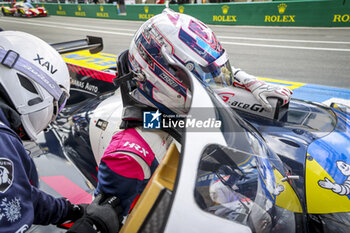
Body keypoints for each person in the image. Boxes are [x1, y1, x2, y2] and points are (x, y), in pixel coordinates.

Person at [95, 7, 293, 219]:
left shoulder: (170, 106)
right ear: (166, 75)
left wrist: (245, 79)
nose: (216, 85)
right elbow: (110, 221)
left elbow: (202, 79)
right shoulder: (131, 154)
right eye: (204, 78)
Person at [0, 31, 121, 233]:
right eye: (57, 105)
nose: (49, 122)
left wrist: (68, 211)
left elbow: (17, 197)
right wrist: (89, 228)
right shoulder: (3, 143)